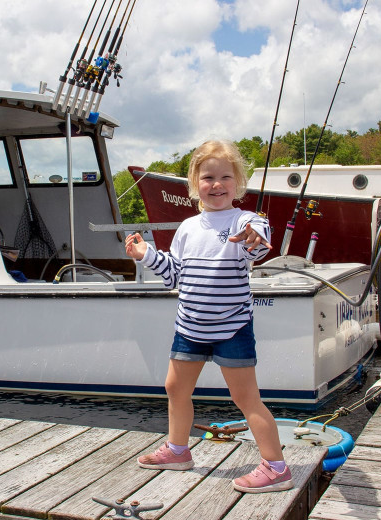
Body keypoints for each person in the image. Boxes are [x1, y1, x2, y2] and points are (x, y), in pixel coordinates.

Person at [124, 139, 292, 493]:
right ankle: (178, 450)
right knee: (174, 387)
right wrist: (145, 254)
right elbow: (174, 275)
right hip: (190, 327)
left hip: (232, 328)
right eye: (208, 177)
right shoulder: (187, 227)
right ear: (194, 184)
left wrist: (252, 238)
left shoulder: (246, 220)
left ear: (238, 184)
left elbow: (259, 242)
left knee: (246, 398)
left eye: (225, 177)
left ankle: (276, 467)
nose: (217, 185)